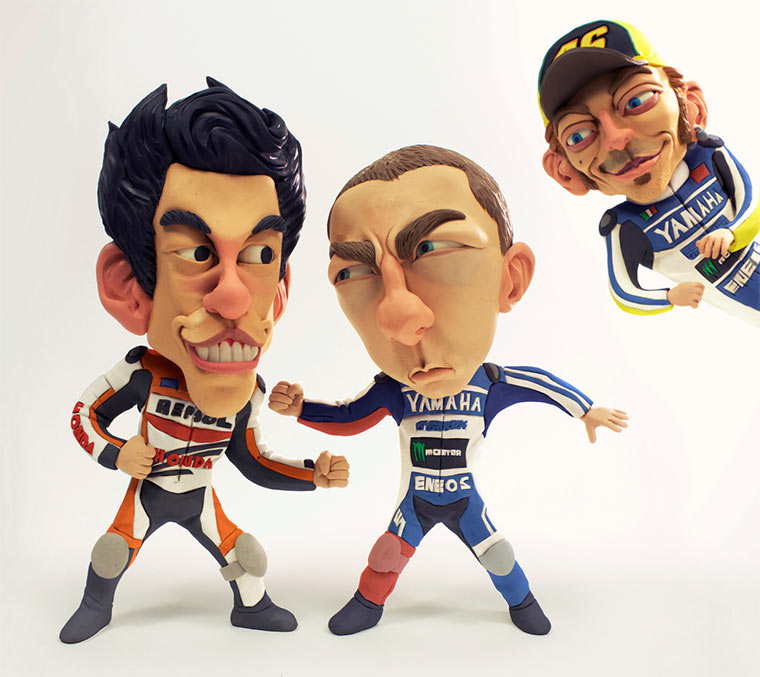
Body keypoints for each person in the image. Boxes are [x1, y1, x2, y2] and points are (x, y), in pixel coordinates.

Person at [269, 145, 627, 636]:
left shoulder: (491, 385)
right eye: (353, 272)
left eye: (434, 250)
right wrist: (302, 409)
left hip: (463, 498)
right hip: (416, 501)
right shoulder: (394, 391)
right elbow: (350, 416)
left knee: (498, 555)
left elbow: (539, 385)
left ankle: (522, 602)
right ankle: (368, 604)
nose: (399, 317)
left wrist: (585, 410)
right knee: (387, 554)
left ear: (511, 279)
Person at [60, 79, 348, 644]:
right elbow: (83, 415)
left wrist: (310, 475)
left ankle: (252, 608)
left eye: (259, 254)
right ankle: (95, 605)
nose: (234, 298)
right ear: (130, 289)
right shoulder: (142, 374)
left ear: (280, 292)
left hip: (200, 494)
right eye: (197, 253)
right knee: (113, 550)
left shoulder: (248, 393)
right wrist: (119, 454)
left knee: (248, 556)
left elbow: (252, 460)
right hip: (147, 489)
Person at [540, 20, 760, 324]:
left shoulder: (711, 155)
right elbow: (623, 291)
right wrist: (667, 297)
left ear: (691, 106)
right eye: (579, 135)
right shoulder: (623, 226)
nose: (616, 139)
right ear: (565, 172)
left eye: (637, 100)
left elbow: (752, 204)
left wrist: (732, 233)